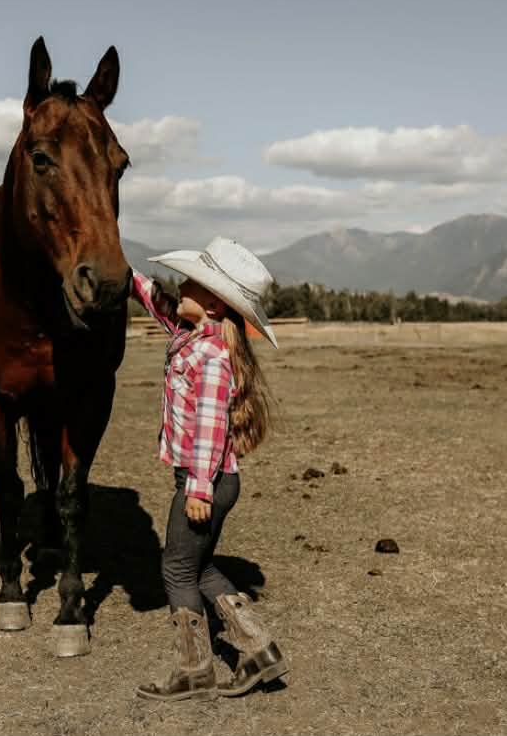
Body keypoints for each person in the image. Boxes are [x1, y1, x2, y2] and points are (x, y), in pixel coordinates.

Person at [132, 236, 289, 702]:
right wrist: (130, 281)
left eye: (193, 283)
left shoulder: (212, 356)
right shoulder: (194, 336)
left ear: (215, 302)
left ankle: (193, 671)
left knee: (177, 569)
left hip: (208, 480)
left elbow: (210, 427)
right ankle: (259, 651)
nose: (181, 286)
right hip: (214, 479)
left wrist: (198, 489)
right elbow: (163, 307)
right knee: (198, 568)